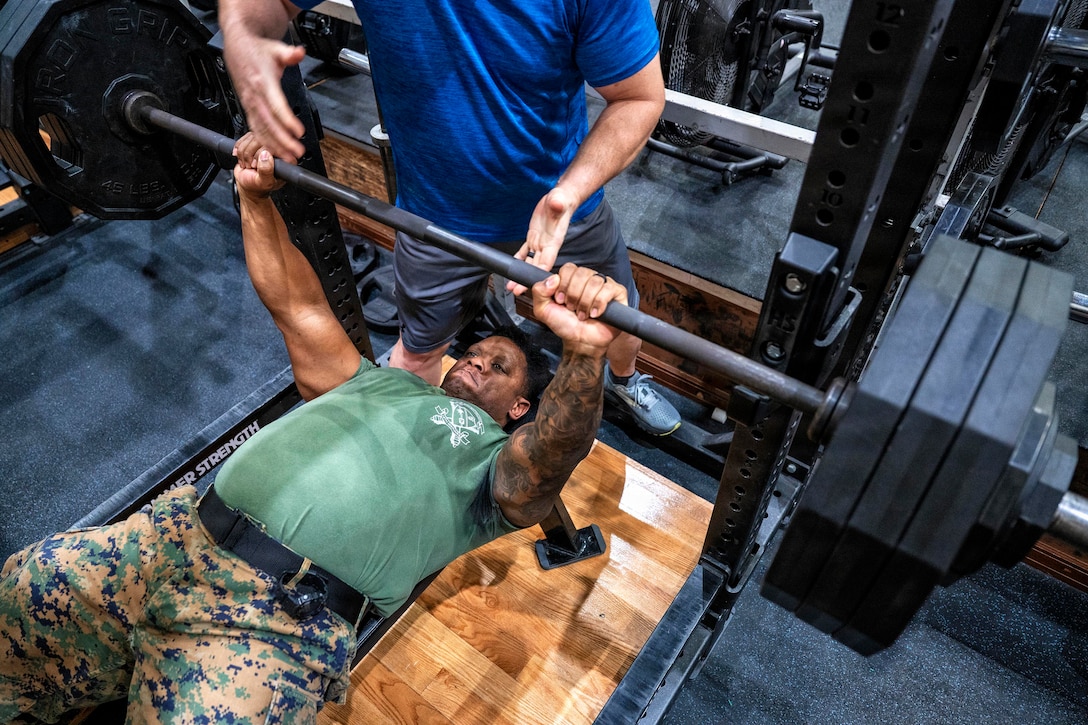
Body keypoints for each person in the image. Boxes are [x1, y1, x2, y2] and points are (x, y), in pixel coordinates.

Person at [0, 140, 629, 723]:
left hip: (274, 618)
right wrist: (253, 196)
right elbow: (297, 306)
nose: (474, 362)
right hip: (174, 534)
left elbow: (545, 465)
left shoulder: (495, 461)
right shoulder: (378, 380)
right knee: (23, 587)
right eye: (474, 352)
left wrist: (583, 352)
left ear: (521, 407)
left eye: (498, 368)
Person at [217, 0, 684, 436]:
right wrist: (246, 39)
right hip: (433, 218)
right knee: (418, 348)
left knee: (618, 320)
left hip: (562, 211)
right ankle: (408, 455)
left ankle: (625, 381)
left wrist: (571, 190)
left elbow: (638, 98)